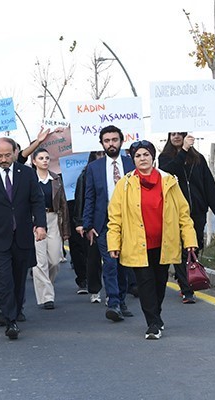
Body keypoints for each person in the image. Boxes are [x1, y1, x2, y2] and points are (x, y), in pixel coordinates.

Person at [108, 140, 198, 340]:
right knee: (145, 284)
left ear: (152, 157)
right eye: (138, 156)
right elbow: (115, 217)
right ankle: (153, 324)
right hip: (137, 244)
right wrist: (114, 243)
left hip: (164, 243)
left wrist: (190, 240)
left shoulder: (169, 181)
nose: (142, 159)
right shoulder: (125, 184)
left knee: (159, 283)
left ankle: (156, 315)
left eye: (146, 154)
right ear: (133, 159)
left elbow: (183, 214)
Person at [0, 138, 46, 340]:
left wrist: (40, 225)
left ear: (15, 153)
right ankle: (10, 319)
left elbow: (37, 200)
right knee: (4, 279)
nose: (3, 159)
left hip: (22, 234)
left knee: (19, 277)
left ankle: (16, 308)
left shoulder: (27, 174)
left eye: (7, 155)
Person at [158, 132, 215, 304]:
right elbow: (170, 171)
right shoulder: (164, 158)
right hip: (175, 213)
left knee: (194, 247)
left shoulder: (198, 159)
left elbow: (208, 184)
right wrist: (184, 151)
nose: (176, 137)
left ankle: (187, 276)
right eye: (172, 134)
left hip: (197, 211)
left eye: (179, 134)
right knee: (181, 250)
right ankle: (186, 288)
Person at [82, 125, 136, 322]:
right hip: (105, 223)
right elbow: (90, 197)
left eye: (114, 140)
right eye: (107, 141)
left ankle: (121, 300)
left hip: (130, 222)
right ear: (102, 144)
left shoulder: (132, 164)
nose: (111, 144)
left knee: (123, 264)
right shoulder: (94, 168)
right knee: (110, 263)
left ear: (121, 141)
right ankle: (113, 302)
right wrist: (88, 225)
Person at [29, 148, 69, 310]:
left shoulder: (56, 179)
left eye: (47, 158)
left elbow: (64, 205)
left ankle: (47, 285)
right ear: (34, 161)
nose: (45, 160)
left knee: (54, 260)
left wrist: (66, 230)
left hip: (54, 219)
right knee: (40, 261)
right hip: (35, 221)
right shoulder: (30, 179)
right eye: (41, 158)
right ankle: (47, 297)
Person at [72, 151, 105, 302]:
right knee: (93, 257)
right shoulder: (86, 174)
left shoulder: (116, 172)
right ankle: (95, 290)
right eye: (98, 154)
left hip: (113, 218)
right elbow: (81, 198)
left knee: (113, 259)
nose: (101, 156)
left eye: (103, 154)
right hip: (93, 221)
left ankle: (115, 293)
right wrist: (80, 222)